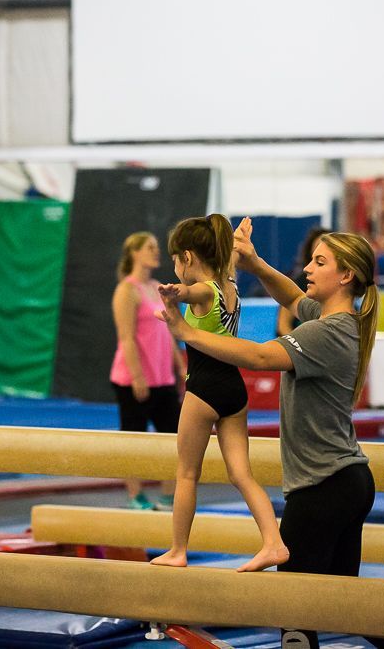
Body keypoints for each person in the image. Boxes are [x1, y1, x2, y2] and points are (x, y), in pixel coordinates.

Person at [156, 218, 384, 649]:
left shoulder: (326, 332)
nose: (308, 270)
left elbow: (260, 356)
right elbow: (293, 297)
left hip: (322, 487)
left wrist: (185, 333)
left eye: (319, 262)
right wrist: (255, 263)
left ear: (346, 276)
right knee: (342, 604)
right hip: (345, 480)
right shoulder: (337, 320)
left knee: (293, 613)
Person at [149, 214, 288, 573]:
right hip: (234, 391)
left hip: (204, 390)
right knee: (242, 474)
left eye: (176, 260)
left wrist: (175, 292)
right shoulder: (229, 283)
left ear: (189, 257)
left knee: (186, 474)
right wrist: (236, 239)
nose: (175, 267)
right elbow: (227, 262)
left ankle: (178, 550)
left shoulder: (205, 291)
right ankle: (273, 542)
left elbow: (194, 291)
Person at [109, 232, 183, 510]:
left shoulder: (157, 287)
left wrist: (179, 367)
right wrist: (138, 377)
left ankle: (167, 496)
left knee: (174, 438)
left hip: (162, 376)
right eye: (150, 248)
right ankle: (135, 495)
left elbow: (170, 331)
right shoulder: (127, 290)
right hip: (133, 379)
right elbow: (126, 337)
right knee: (133, 438)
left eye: (156, 247)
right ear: (134, 253)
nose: (156, 252)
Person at [276, 226, 329, 336]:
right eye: (315, 258)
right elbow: (283, 325)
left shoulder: (346, 315)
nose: (308, 269)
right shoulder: (298, 283)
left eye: (321, 261)